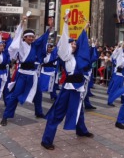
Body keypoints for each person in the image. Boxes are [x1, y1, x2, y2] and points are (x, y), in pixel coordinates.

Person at [41, 15, 93, 150]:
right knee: (58, 112)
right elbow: (63, 42)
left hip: (79, 87)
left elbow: (82, 44)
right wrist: (65, 23)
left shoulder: (78, 57)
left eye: (75, 43)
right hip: (68, 88)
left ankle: (81, 130)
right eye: (72, 43)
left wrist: (85, 28)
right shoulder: (65, 55)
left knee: (79, 109)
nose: (74, 44)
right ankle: (46, 140)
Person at [0, 16, 53, 126]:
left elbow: (43, 39)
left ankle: (39, 112)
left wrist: (49, 28)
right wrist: (22, 23)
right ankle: (6, 116)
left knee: (38, 94)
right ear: (24, 37)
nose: (31, 38)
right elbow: (17, 36)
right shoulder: (20, 45)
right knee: (15, 95)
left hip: (33, 75)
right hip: (23, 74)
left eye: (32, 37)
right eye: (28, 36)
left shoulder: (34, 45)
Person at [107, 41, 124, 106]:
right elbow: (114, 54)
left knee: (122, 88)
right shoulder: (118, 54)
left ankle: (123, 100)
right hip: (118, 74)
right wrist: (119, 46)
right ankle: (110, 101)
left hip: (123, 74)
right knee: (114, 88)